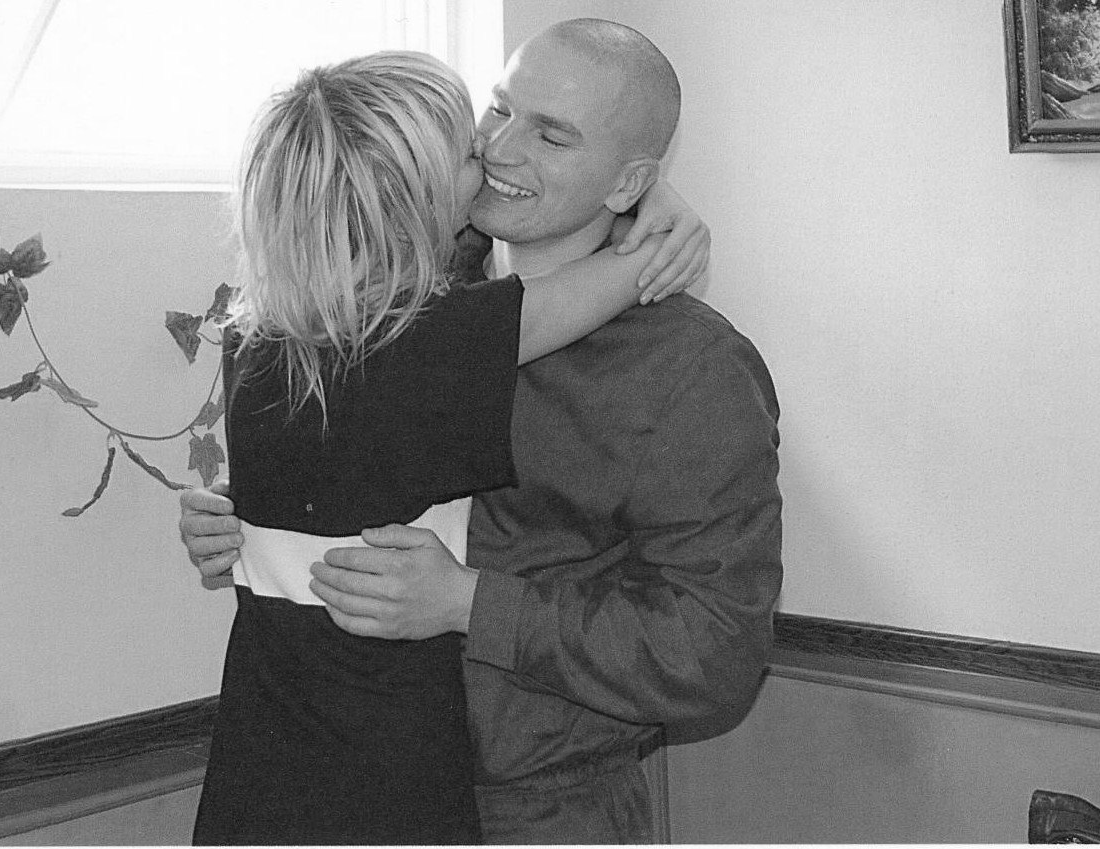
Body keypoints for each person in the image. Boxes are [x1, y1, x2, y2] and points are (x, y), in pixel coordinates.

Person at [183, 19, 782, 844]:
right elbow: (350, 466)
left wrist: (474, 603)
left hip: (539, 813)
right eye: (498, 109)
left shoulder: (690, 368)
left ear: (630, 182)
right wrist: (243, 513)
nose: (500, 147)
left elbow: (714, 650)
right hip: (329, 786)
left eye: (553, 135)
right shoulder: (377, 309)